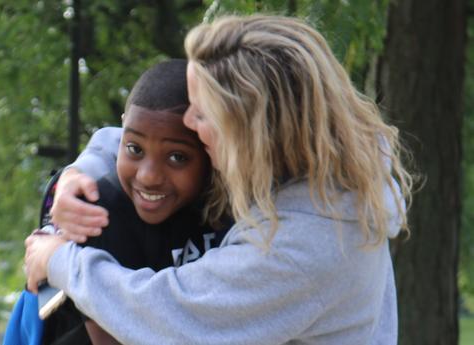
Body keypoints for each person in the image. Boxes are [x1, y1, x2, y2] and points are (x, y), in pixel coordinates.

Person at [25, 15, 413, 344]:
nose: (189, 124)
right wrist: (81, 171)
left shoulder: (308, 245)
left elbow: (170, 315)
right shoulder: (312, 171)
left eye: (202, 114)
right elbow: (131, 138)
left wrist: (58, 260)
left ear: (254, 134)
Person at [12, 59, 228, 345]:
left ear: (211, 149)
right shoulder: (96, 210)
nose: (149, 176)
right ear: (123, 128)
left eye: (177, 157)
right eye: (134, 149)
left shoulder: (235, 210)